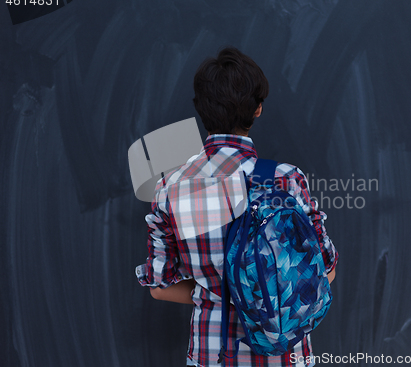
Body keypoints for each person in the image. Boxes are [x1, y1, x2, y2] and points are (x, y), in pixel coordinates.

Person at [136, 46, 338, 367]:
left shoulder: (170, 188)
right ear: (257, 110)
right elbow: (326, 270)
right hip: (284, 357)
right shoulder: (285, 179)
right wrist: (265, 293)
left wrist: (219, 293)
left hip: (213, 354)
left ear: (200, 112)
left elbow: (160, 288)